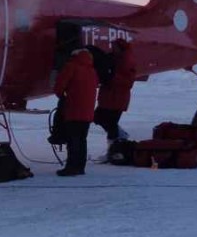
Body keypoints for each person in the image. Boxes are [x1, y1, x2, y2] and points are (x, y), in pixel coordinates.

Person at [53, 48, 99, 176]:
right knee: (82, 139)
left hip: (73, 109)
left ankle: (71, 167)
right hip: (87, 111)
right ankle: (80, 166)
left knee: (72, 139)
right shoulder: (92, 70)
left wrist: (62, 96)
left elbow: (59, 86)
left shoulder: (71, 66)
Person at [94, 39, 136, 144]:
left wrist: (111, 77)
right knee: (99, 118)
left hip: (117, 98)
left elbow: (128, 81)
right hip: (109, 96)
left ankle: (115, 147)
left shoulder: (126, 61)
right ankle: (118, 140)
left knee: (110, 123)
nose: (112, 48)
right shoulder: (113, 58)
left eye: (114, 46)